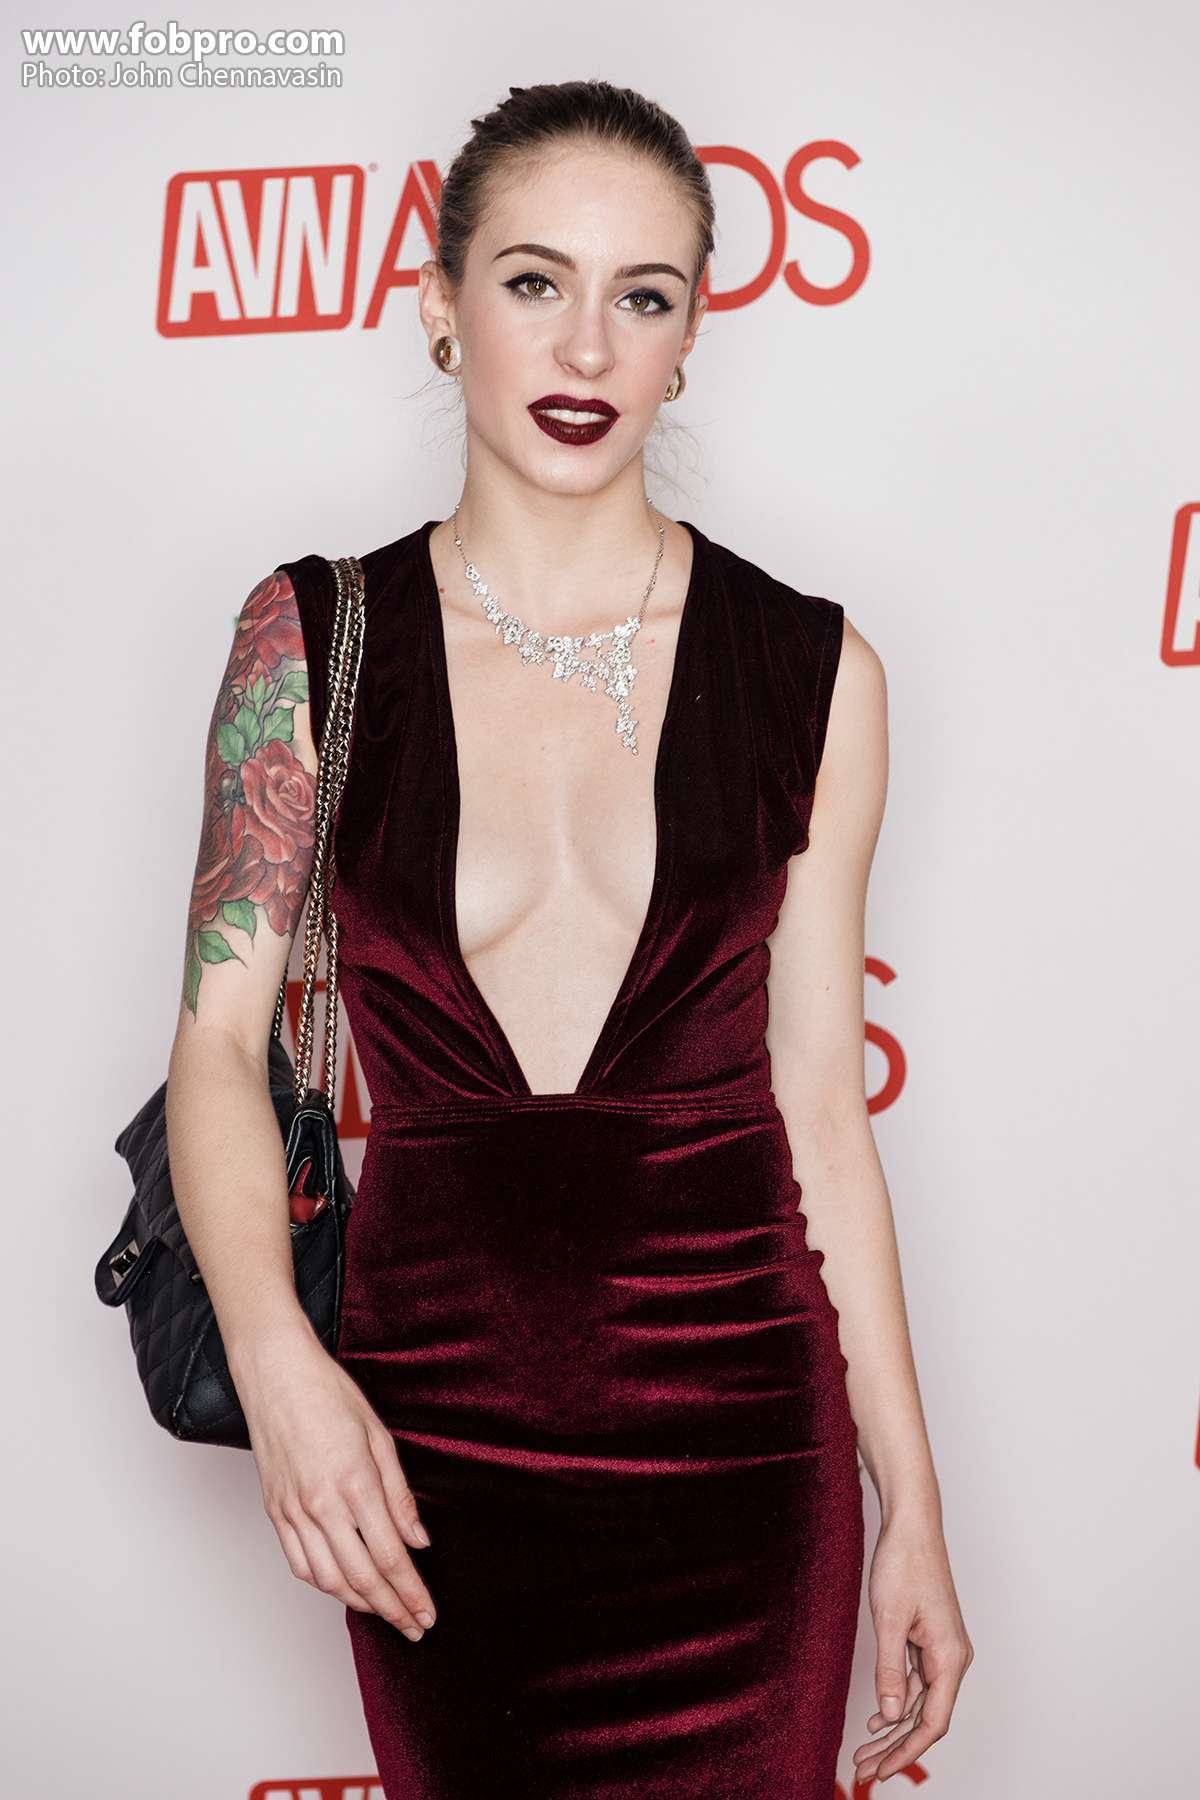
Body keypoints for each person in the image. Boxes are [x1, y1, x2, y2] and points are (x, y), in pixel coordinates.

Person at [165, 79, 972, 1800]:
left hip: (745, 1450)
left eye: (643, 295)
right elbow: (218, 1048)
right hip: (424, 1446)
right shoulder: (311, 641)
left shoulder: (817, 672)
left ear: (690, 339)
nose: (587, 346)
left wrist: (911, 1500)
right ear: (441, 302)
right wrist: (278, 1364)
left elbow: (824, 1114)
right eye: (535, 281)